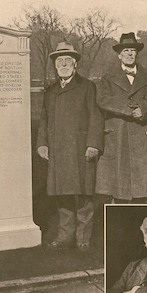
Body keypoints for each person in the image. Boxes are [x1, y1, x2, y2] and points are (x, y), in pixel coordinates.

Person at [36, 42, 104, 252]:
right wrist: (42, 143)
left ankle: (83, 238)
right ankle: (65, 235)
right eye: (60, 61)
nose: (64, 64)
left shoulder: (87, 87)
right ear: (55, 66)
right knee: (62, 194)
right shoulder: (51, 91)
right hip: (58, 151)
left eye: (67, 61)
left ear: (75, 64)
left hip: (80, 149)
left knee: (84, 195)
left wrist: (93, 144)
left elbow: (96, 117)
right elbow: (44, 119)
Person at [96, 32, 147, 202]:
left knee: (142, 190)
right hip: (118, 136)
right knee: (118, 189)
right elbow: (102, 99)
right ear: (119, 54)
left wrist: (144, 108)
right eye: (126, 50)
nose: (129, 53)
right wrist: (129, 109)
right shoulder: (108, 77)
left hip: (143, 135)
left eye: (132, 50)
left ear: (137, 53)